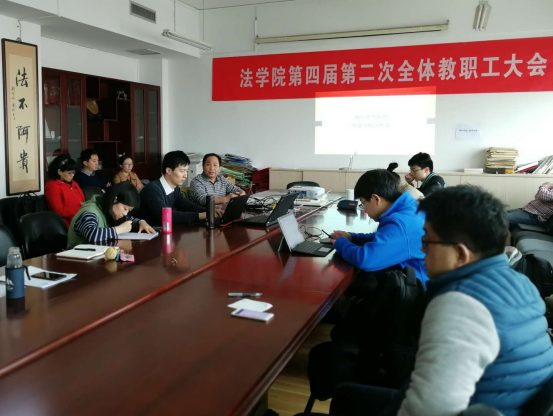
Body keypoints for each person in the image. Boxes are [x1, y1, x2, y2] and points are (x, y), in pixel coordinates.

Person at [322, 185, 553, 416]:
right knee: (347, 396)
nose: (422, 249)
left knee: (345, 394)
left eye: (427, 241)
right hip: (499, 404)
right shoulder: (520, 283)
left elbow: (426, 409)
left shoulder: (460, 304)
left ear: (460, 254)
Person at [331, 169, 427, 284]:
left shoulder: (400, 224)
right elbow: (385, 238)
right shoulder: (409, 208)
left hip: (418, 289)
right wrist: (352, 237)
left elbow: (366, 260)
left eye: (363, 203)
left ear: (376, 199)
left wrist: (340, 243)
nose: (364, 209)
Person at [139, 151, 223, 226]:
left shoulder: (174, 189)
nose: (185, 176)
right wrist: (201, 215)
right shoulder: (153, 189)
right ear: (168, 171)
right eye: (182, 171)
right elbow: (166, 216)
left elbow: (186, 205)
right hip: (149, 235)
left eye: (187, 171)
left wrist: (210, 210)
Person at [67, 182, 155, 249]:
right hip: (77, 262)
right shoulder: (89, 212)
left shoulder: (108, 210)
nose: (125, 213)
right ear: (115, 199)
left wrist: (140, 222)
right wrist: (120, 229)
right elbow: (92, 234)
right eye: (125, 208)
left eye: (129, 211)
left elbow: (128, 219)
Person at [44, 154, 85, 227]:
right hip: (68, 224)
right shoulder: (52, 186)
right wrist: (80, 211)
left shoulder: (74, 183)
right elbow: (58, 211)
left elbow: (83, 201)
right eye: (69, 173)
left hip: (81, 218)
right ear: (59, 172)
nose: (72, 175)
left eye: (73, 172)